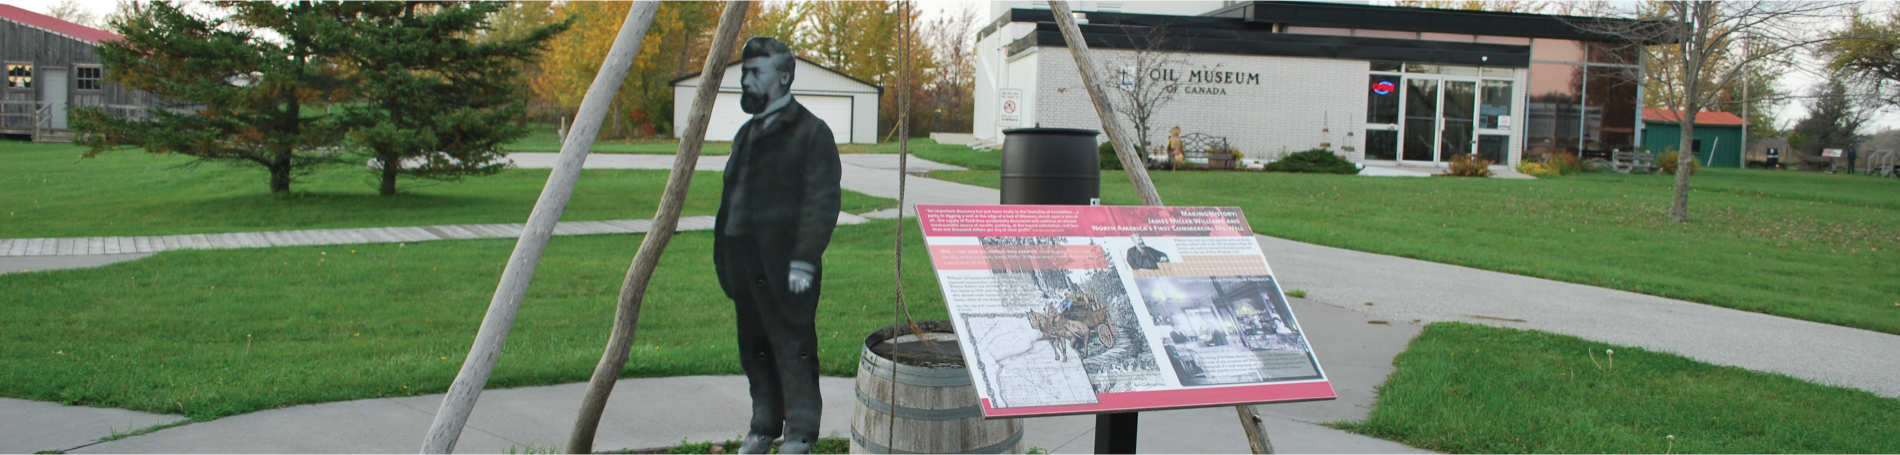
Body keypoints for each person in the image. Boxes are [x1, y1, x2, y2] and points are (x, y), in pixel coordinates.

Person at [714, 37, 842, 455]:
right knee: (755, 347)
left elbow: (822, 201)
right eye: (744, 72)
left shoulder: (812, 132)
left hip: (787, 262)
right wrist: (724, 257)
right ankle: (763, 425)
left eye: (755, 72)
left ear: (784, 77)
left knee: (792, 346)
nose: (745, 79)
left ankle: (801, 432)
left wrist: (804, 260)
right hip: (741, 257)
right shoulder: (744, 134)